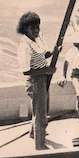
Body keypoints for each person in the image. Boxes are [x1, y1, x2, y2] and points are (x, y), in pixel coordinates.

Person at [16, 11, 59, 150]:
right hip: (34, 80)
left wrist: (53, 53)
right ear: (25, 29)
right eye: (32, 28)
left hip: (43, 78)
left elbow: (42, 55)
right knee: (40, 113)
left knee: (41, 107)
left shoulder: (38, 38)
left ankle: (33, 133)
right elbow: (26, 70)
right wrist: (46, 71)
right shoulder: (24, 46)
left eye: (37, 27)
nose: (35, 30)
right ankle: (40, 145)